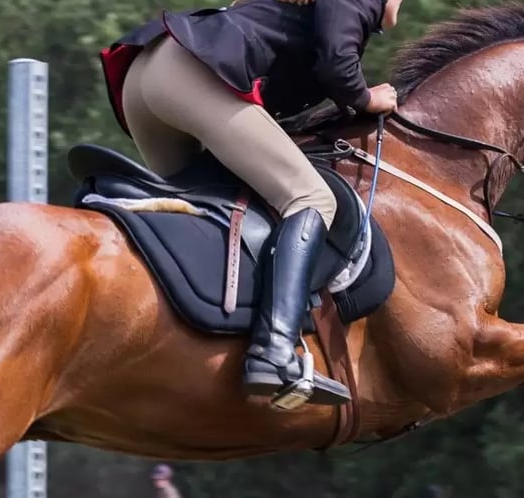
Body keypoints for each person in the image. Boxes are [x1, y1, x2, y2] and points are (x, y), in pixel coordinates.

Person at [98, 0, 403, 406]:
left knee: (205, 208)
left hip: (147, 78)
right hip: (189, 77)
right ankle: (275, 352)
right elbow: (336, 61)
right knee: (312, 197)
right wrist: (367, 99)